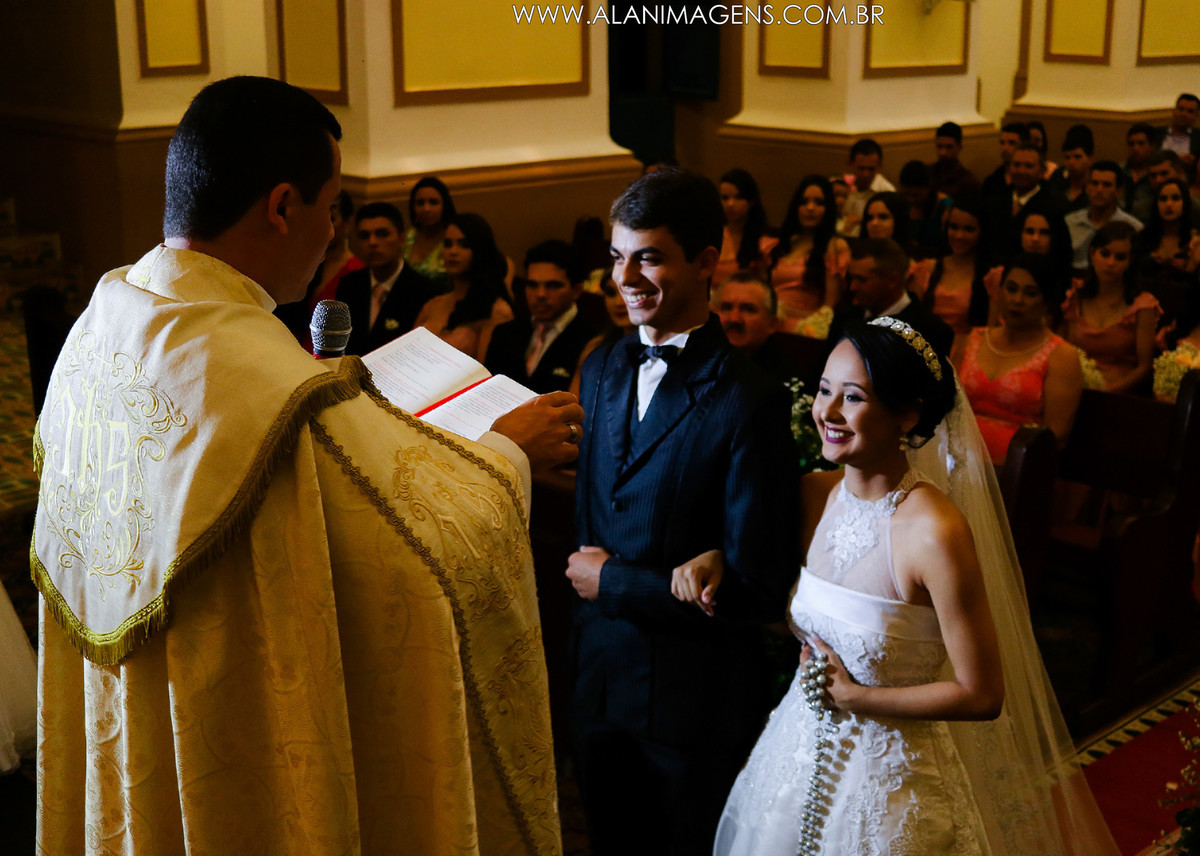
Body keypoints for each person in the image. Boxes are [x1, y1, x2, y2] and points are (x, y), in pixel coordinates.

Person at [31, 75, 578, 856]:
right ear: (283, 206)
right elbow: (419, 546)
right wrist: (508, 450)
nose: (335, 237)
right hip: (233, 733)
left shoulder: (106, 318)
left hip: (137, 701)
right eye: (332, 211)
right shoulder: (264, 382)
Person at [677, 318, 1120, 856]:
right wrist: (718, 561)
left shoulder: (934, 532)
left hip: (891, 793)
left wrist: (860, 698)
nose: (828, 412)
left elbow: (982, 694)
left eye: (853, 397)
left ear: (907, 414)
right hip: (793, 756)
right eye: (824, 390)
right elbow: (785, 613)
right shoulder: (812, 496)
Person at [569, 168, 800, 855]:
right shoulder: (603, 366)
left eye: (648, 257)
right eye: (617, 256)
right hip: (597, 685)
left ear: (706, 262)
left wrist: (615, 582)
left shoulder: (747, 398)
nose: (625, 277)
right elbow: (590, 524)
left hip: (690, 706)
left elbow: (757, 588)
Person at [959, 253, 1083, 463]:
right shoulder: (973, 339)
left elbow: (1055, 436)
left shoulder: (1061, 356)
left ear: (1046, 301)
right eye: (1011, 289)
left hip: (1015, 469)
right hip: (955, 459)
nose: (1017, 300)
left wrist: (997, 468)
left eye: (1030, 293)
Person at [484, 239, 598, 393]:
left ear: (576, 290)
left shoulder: (591, 342)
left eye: (552, 285)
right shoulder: (504, 333)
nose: (540, 294)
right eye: (532, 285)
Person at [337, 200, 446, 355]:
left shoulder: (425, 292)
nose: (372, 242)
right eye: (364, 236)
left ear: (402, 239)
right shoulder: (349, 285)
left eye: (382, 234)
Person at [1062, 220, 1160, 393]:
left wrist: (1109, 391)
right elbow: (1066, 353)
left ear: (1130, 261)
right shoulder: (1076, 298)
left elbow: (1144, 368)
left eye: (1120, 257)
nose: (1110, 263)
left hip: (1120, 395)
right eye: (1105, 254)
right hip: (1075, 389)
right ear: (1092, 253)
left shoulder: (1142, 306)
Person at [273, 188, 365, 350]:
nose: (327, 227)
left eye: (333, 219)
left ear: (348, 223)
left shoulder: (356, 272)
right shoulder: (307, 264)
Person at [415, 212, 514, 361]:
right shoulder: (433, 305)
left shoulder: (496, 310)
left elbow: (488, 369)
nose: (453, 252)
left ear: (480, 250)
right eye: (448, 244)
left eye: (464, 245)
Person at [837, 237, 954, 358]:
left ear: (892, 280)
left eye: (862, 280)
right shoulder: (845, 318)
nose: (853, 287)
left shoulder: (930, 331)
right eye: (851, 278)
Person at [770, 175, 849, 334]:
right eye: (804, 202)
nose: (810, 208)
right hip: (770, 323)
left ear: (828, 208)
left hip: (806, 329)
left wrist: (809, 327)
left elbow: (830, 307)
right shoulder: (786, 243)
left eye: (819, 203)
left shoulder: (834, 246)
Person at [923, 194, 996, 343]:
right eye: (954, 227)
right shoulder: (927, 269)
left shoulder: (992, 277)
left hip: (969, 349)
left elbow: (991, 332)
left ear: (982, 232)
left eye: (968, 229)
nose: (959, 236)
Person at [1066, 161, 1144, 272]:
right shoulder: (1069, 223)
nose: (1099, 190)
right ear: (1087, 187)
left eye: (1106, 185)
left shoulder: (1134, 227)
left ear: (1119, 191)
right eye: (1094, 183)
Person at [714, 168, 773, 288]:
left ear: (751, 201)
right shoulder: (712, 234)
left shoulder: (764, 243)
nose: (730, 204)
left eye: (738, 197)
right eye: (725, 198)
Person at [403, 175, 456, 280]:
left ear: (445, 206)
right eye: (420, 203)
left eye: (433, 202)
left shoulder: (454, 239)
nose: (426, 209)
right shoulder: (407, 238)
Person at [840, 138, 895, 235]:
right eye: (861, 168)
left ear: (879, 165)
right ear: (850, 163)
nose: (866, 174)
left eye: (871, 169)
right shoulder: (842, 187)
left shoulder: (887, 192)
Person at [1046, 123, 1094, 213]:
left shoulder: (1096, 187)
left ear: (1090, 158)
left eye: (1077, 157)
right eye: (1067, 158)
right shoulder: (1057, 180)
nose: (1071, 163)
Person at [929, 121, 979, 198]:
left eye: (949, 147)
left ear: (959, 147)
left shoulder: (968, 183)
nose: (943, 153)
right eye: (940, 147)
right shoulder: (927, 174)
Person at [1156, 93, 1200, 178]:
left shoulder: (1198, 138)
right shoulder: (1157, 134)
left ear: (1196, 116)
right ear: (1174, 111)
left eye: (1190, 111)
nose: (1184, 114)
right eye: (1181, 109)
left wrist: (1193, 161)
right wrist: (1177, 159)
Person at [981, 122, 1029, 199]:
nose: (1004, 148)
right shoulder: (993, 181)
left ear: (1024, 146)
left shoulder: (1031, 179)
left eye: (1011, 143)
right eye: (1002, 143)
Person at [1124, 122, 1159, 222]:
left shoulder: (1158, 174)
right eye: (1131, 144)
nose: (1135, 148)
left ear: (1152, 146)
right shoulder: (1119, 171)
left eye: (1141, 143)